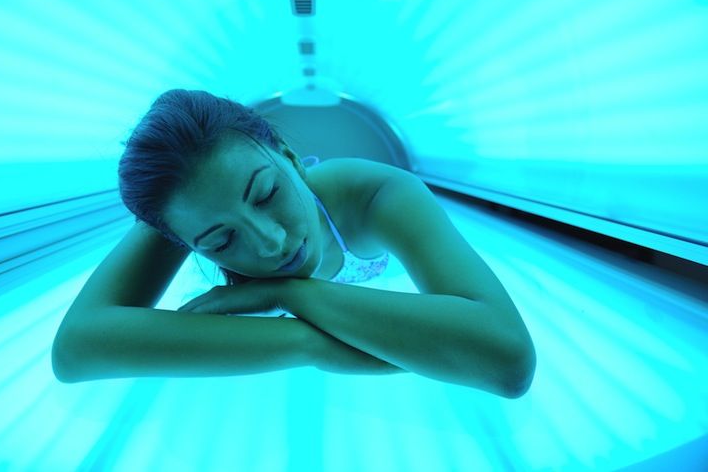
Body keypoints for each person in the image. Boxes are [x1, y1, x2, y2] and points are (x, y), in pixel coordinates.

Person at [51, 89, 536, 398]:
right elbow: (75, 352)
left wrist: (289, 294)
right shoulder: (186, 200)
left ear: (291, 157)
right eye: (221, 241)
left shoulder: (376, 195)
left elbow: (507, 360)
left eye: (267, 194)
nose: (272, 243)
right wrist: (309, 343)